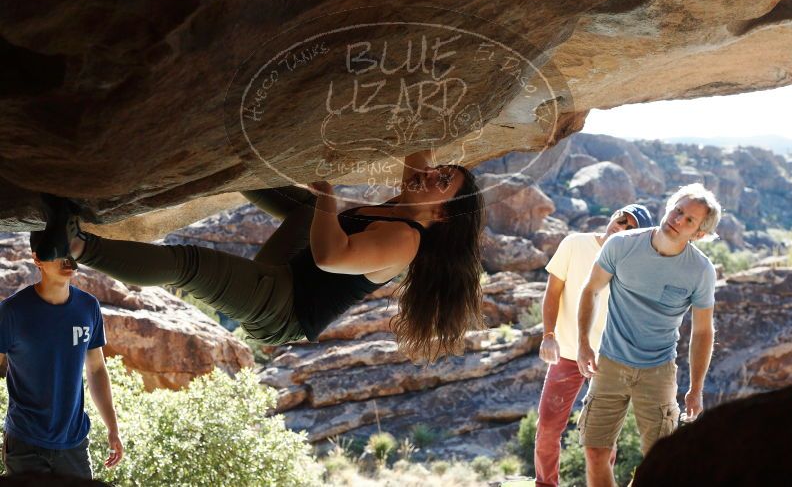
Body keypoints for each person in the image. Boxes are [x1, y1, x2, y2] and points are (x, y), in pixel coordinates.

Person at [33, 151, 485, 361]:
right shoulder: (411, 201)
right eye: (440, 169)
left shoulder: (406, 240)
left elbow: (329, 256)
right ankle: (229, 157)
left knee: (190, 264)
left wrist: (328, 192)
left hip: (282, 311)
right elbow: (418, 144)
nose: (431, 174)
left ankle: (72, 246)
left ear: (442, 215)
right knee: (306, 208)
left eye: (442, 180)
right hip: (286, 274)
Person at [576, 183, 721, 487]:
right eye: (677, 210)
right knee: (595, 452)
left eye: (689, 220)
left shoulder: (700, 271)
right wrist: (583, 345)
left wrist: (696, 388)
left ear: (699, 234)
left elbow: (703, 330)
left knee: (662, 458)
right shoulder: (621, 245)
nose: (678, 219)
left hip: (658, 371)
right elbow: (590, 290)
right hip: (609, 364)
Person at [534, 204, 654, 487]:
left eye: (630, 228)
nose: (621, 227)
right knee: (548, 428)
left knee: (603, 436)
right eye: (621, 219)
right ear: (613, 216)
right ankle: (545, 484)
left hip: (608, 361)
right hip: (566, 354)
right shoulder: (575, 244)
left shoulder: (634, 266)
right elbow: (552, 292)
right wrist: (548, 335)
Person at [0, 239, 124, 479]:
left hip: (74, 442)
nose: (68, 259)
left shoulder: (88, 307)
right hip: (25, 443)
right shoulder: (12, 312)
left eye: (72, 251)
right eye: (58, 252)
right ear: (37, 259)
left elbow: (97, 369)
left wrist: (113, 428)